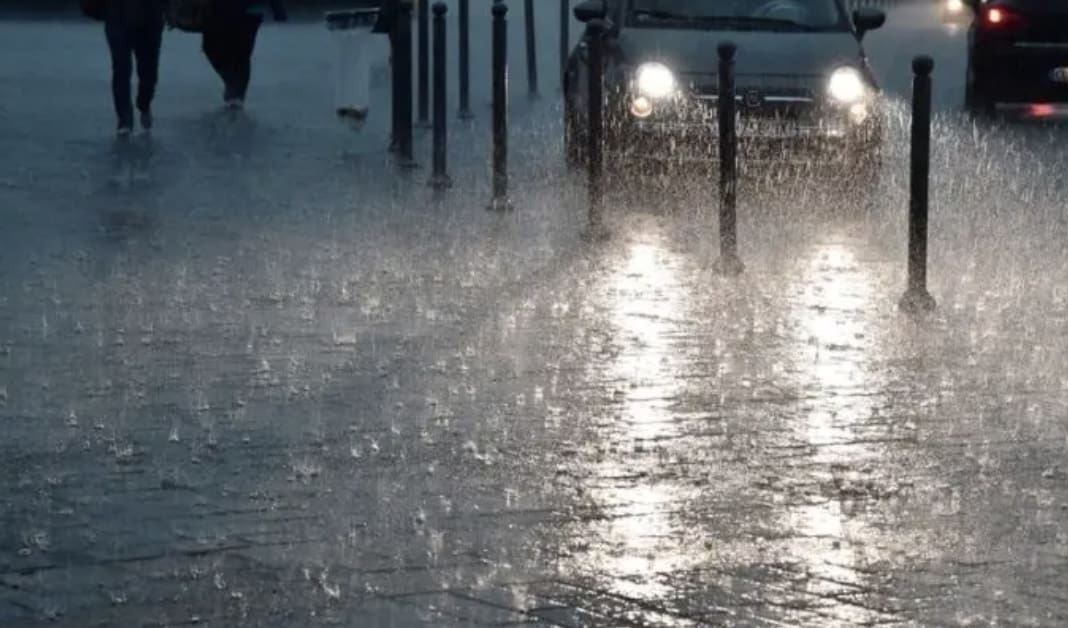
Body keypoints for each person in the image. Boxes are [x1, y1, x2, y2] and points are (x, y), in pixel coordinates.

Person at [201, 0, 288, 109]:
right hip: (228, 14)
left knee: (236, 53)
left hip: (231, 14)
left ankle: (235, 91)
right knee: (236, 54)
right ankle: (235, 90)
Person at [104, 0, 167, 136]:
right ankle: (124, 118)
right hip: (117, 17)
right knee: (121, 68)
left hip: (149, 20)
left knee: (148, 71)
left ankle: (144, 103)